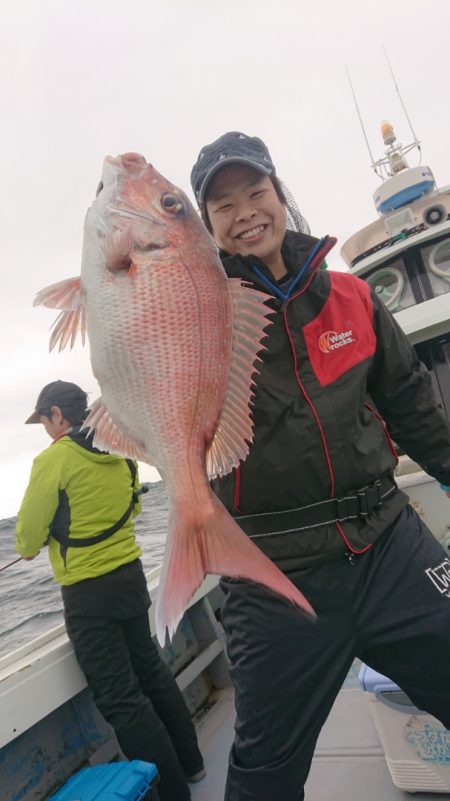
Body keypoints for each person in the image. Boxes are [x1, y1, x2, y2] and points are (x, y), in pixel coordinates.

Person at [189, 131, 450, 801]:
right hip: (273, 574)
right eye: (223, 204)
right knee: (263, 773)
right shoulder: (200, 330)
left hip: (389, 542)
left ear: (281, 196)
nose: (245, 210)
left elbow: (415, 409)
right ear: (208, 228)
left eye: (257, 191)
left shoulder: (354, 299)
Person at [15, 380, 205, 801]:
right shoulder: (121, 448)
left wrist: (53, 535)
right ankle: (192, 764)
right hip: (130, 578)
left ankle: (173, 794)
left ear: (59, 416)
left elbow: (27, 541)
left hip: (87, 595)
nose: (46, 429)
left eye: (45, 420)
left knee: (122, 699)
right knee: (152, 673)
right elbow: (134, 506)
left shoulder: (54, 460)